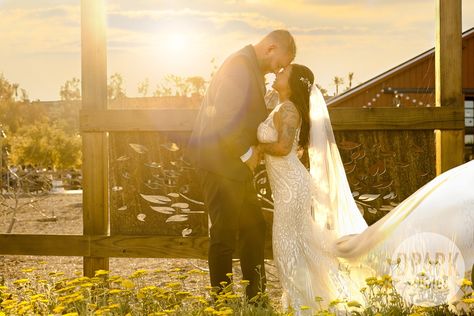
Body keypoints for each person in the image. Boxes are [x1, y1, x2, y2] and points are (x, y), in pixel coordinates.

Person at [257, 64, 474, 313]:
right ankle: (309, 302)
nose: (278, 73)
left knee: (286, 247)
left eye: (283, 72)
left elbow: (284, 148)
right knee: (298, 246)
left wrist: (255, 149)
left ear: (293, 82)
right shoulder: (281, 105)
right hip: (287, 184)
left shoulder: (288, 110)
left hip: (291, 188)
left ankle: (302, 306)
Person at [187, 30, 296, 299]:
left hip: (234, 164)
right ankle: (223, 301)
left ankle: (256, 298)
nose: (277, 71)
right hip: (219, 162)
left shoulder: (250, 67)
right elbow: (223, 119)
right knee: (224, 233)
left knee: (253, 227)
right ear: (270, 48)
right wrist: (248, 154)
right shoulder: (238, 66)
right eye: (279, 64)